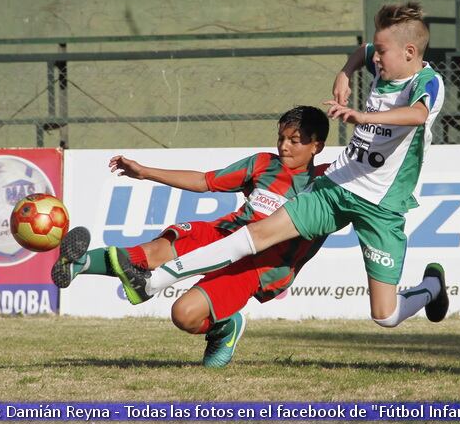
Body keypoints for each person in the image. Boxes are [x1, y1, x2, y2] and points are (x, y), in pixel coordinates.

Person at [110, 1, 449, 333]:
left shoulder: (426, 83)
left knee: (385, 316)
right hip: (337, 186)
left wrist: (363, 116)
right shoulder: (385, 61)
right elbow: (362, 51)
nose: (375, 58)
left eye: (382, 52)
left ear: (409, 52)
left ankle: (432, 286)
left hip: (381, 205)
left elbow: (418, 115)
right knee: (256, 234)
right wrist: (346, 72)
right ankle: (154, 282)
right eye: (376, 50)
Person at [53, 106, 333, 368]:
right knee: (151, 253)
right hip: (226, 232)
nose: (284, 146)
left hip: (261, 265)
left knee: (184, 316)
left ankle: (226, 326)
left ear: (316, 146)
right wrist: (145, 172)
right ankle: (79, 263)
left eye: (295, 141)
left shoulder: (329, 182)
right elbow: (205, 181)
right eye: (281, 137)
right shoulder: (263, 164)